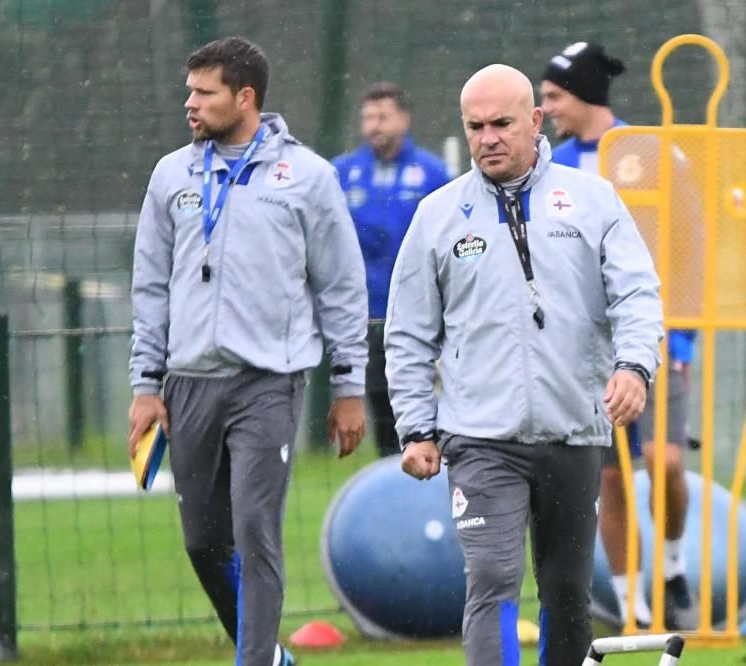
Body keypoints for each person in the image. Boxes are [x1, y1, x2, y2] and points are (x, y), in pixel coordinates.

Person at [385, 64, 664, 666]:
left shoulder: (592, 200)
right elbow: (408, 332)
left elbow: (638, 294)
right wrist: (415, 426)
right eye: (475, 126)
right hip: (481, 437)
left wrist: (634, 367)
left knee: (567, 593)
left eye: (502, 124)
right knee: (491, 579)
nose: (488, 138)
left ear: (535, 121)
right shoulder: (437, 216)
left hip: (574, 430)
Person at [127, 37, 368, 666]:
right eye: (190, 91)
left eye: (204, 93)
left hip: (270, 381)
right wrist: (145, 385)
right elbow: (150, 286)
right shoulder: (170, 174)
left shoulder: (309, 177)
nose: (191, 103)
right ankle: (273, 656)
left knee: (255, 530)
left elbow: (341, 286)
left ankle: (256, 661)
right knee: (203, 543)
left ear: (245, 97)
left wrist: (347, 386)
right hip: (186, 383)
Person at [541, 41, 700, 630]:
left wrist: (680, 344)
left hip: (655, 340)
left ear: (585, 95)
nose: (547, 107)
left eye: (555, 96)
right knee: (608, 477)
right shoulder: (552, 167)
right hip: (588, 357)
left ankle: (674, 567)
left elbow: (688, 247)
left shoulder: (652, 154)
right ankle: (634, 606)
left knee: (665, 462)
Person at [332, 82, 449, 457]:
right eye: (367, 117)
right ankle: (390, 487)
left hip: (421, 316)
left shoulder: (433, 174)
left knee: (425, 408)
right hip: (367, 319)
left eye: (382, 116)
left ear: (404, 118)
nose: (374, 126)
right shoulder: (343, 173)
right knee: (383, 413)